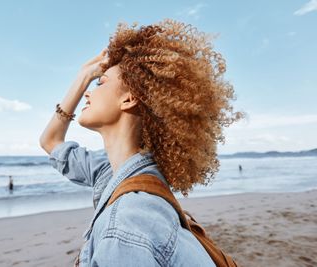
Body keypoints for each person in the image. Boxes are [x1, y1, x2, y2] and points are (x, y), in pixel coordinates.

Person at [40, 18, 245, 266]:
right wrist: (83, 77)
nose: (88, 92)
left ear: (129, 99)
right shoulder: (112, 173)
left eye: (100, 82)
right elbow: (51, 141)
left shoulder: (126, 224)